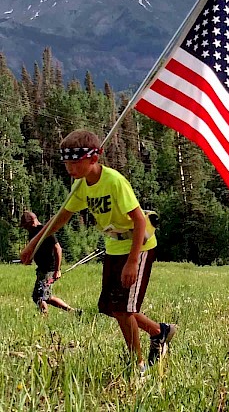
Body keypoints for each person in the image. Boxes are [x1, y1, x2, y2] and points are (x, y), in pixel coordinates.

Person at [21, 129, 176, 374]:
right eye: (66, 163)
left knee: (124, 309)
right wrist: (33, 244)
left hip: (139, 246)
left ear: (93, 158)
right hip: (114, 246)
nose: (70, 168)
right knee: (110, 307)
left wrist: (133, 262)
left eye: (75, 162)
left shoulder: (113, 181)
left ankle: (138, 365)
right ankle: (160, 332)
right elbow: (62, 217)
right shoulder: (80, 185)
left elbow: (138, 220)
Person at [20, 210, 80, 315]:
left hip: (49, 269)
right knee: (46, 296)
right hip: (42, 269)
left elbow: (58, 248)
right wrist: (29, 259)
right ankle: (74, 312)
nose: (25, 228)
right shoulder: (32, 233)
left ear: (31, 222)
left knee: (40, 296)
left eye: (25, 225)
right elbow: (34, 250)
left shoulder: (45, 231)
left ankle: (44, 317)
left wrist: (57, 270)